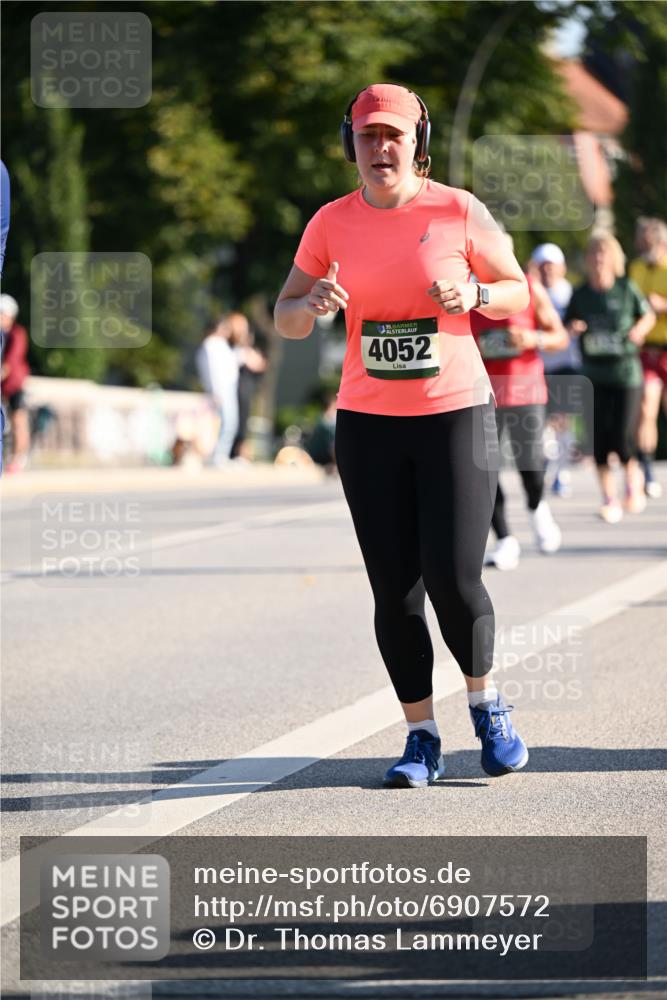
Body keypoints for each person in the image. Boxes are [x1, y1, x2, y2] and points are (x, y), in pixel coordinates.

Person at [274, 83, 531, 788]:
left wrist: (476, 295)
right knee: (394, 590)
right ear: (349, 143)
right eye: (366, 136)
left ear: (415, 142)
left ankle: (486, 705)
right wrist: (311, 303)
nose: (379, 149)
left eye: (392, 136)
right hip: (368, 425)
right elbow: (285, 314)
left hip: (453, 414)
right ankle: (420, 736)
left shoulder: (456, 210)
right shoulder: (330, 222)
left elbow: (517, 291)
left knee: (453, 577)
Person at [471, 259, 569, 571]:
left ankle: (537, 507)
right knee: (484, 470)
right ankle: (504, 539)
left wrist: (533, 339)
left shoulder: (528, 287)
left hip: (525, 390)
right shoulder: (465, 291)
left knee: (531, 465)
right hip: (481, 392)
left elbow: (559, 336)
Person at [566, 234, 655, 522]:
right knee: (599, 442)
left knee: (622, 436)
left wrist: (640, 330)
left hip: (625, 373)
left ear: (614, 258)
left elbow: (648, 315)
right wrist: (574, 327)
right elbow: (567, 322)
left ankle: (633, 481)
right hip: (593, 374)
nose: (598, 259)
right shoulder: (580, 294)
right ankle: (609, 498)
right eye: (593, 254)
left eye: (603, 253)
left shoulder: (625, 288)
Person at [530, 243, 580, 498]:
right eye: (543, 266)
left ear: (561, 268)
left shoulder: (571, 294)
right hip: (538, 366)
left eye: (552, 266)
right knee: (544, 422)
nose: (548, 271)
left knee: (563, 419)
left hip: (566, 364)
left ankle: (562, 473)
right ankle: (550, 463)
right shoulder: (530, 294)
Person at [629, 217, 667, 499]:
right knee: (646, 409)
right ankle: (648, 471)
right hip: (646, 350)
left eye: (648, 241)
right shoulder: (636, 267)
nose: (644, 246)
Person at [195, 315, 240, 467]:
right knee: (225, 422)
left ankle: (220, 454)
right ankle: (217, 455)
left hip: (227, 387)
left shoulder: (220, 344)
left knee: (229, 422)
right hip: (221, 389)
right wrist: (216, 391)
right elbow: (212, 370)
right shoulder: (211, 344)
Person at [227, 312, 267, 461]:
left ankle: (238, 453)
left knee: (242, 421)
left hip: (245, 389)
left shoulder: (243, 349)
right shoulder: (234, 349)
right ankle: (232, 453)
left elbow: (260, 364)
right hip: (237, 390)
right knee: (236, 421)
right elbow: (255, 363)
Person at [1, 294, 31, 473]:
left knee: (18, 420)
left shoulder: (16, 334)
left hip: (14, 384)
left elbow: (10, 363)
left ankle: (19, 459)